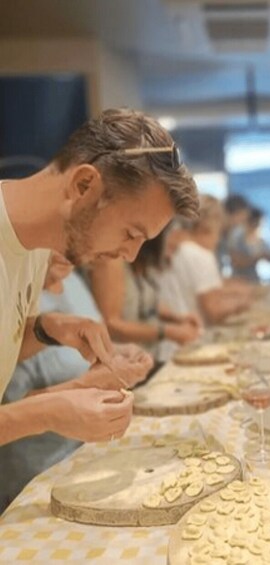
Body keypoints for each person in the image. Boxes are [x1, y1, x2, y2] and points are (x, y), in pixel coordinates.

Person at [0, 108, 199, 446]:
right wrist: (45, 413)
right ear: (84, 185)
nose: (130, 255)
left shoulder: (35, 246)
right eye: (131, 234)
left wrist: (46, 329)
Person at [0, 253, 150, 511]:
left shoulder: (72, 284)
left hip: (84, 459)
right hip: (35, 477)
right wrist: (86, 386)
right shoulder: (11, 281)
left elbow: (78, 345)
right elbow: (13, 406)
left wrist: (115, 355)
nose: (129, 253)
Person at [89, 230, 202, 363]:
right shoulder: (112, 260)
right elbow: (111, 325)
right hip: (123, 364)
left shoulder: (141, 261)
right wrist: (167, 332)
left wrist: (177, 318)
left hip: (148, 359)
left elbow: (145, 302)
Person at [158, 195, 251, 325]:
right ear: (208, 228)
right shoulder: (201, 255)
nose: (218, 239)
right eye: (219, 232)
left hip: (175, 329)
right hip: (193, 331)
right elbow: (213, 313)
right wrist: (242, 303)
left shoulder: (177, 249)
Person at [230, 207, 270, 282]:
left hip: (255, 279)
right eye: (258, 224)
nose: (260, 227)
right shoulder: (237, 236)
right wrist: (257, 257)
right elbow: (236, 261)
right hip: (239, 280)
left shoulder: (261, 238)